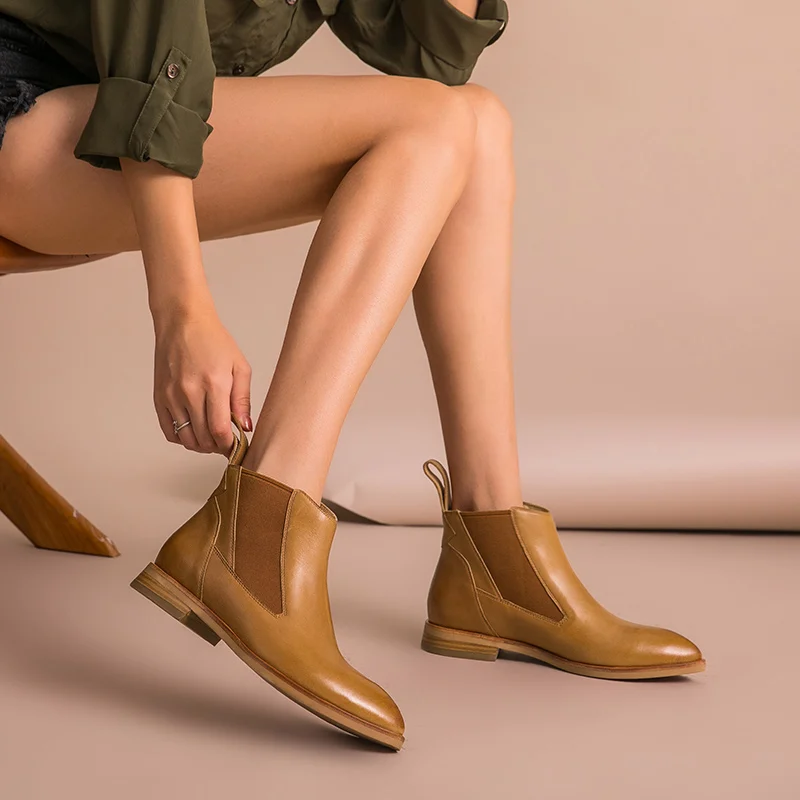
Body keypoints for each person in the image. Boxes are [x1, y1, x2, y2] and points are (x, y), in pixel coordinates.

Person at [0, 1, 705, 751]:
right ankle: (259, 531)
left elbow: (431, 55)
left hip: (98, 110)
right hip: (21, 105)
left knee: (478, 122)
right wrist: (181, 310)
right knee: (433, 125)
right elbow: (152, 44)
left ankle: (495, 556)